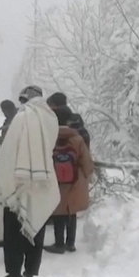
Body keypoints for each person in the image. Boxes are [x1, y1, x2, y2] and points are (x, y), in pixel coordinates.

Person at [0, 85, 60, 277]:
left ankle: (14, 274)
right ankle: (32, 272)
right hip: (43, 180)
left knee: (13, 229)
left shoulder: (23, 117)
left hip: (19, 181)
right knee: (37, 223)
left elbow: (10, 151)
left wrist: (5, 177)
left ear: (25, 99)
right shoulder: (50, 118)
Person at [45, 106, 94, 254]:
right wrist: (86, 174)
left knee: (58, 212)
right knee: (71, 212)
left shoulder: (49, 138)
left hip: (55, 180)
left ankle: (59, 244)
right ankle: (70, 243)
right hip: (75, 181)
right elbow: (87, 162)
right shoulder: (77, 139)